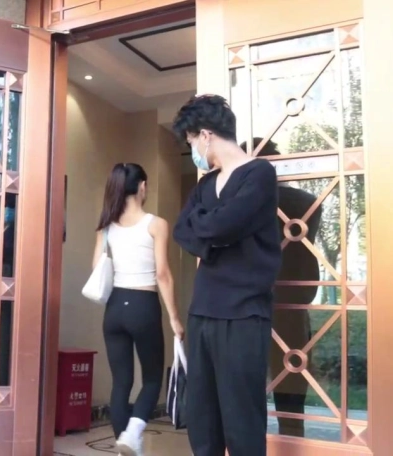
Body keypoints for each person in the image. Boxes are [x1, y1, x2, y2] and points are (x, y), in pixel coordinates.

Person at [172, 95, 281, 456]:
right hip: (202, 310)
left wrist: (211, 230)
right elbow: (182, 231)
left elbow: (223, 225)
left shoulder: (259, 174)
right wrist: (216, 234)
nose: (193, 150)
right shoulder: (205, 185)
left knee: (242, 420)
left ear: (205, 135)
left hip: (244, 313)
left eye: (191, 141)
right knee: (202, 419)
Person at [92, 163, 184, 456]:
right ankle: (132, 435)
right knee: (153, 379)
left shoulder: (106, 226)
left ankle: (124, 446)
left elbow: (96, 268)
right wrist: (174, 318)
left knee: (121, 382)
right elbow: (163, 275)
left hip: (114, 308)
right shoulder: (156, 224)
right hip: (143, 306)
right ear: (142, 186)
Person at [242, 138, 321, 438]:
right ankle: (291, 438)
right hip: (294, 300)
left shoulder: (247, 203)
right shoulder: (307, 201)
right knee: (291, 380)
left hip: (252, 299)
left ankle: (251, 442)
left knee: (246, 383)